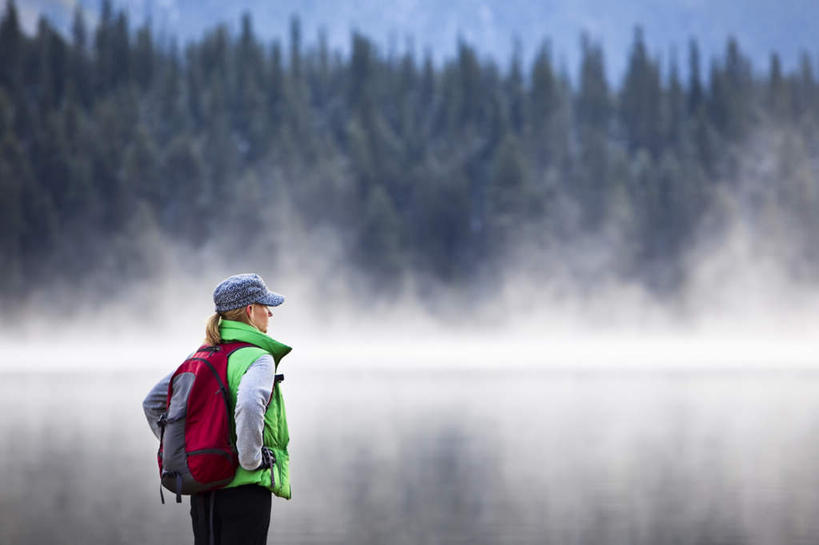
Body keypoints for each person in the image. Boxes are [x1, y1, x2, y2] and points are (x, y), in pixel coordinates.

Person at [143, 273, 293, 545]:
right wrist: (251, 460)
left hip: (203, 488)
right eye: (265, 306)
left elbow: (153, 403)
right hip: (244, 491)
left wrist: (188, 448)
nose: (270, 313)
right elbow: (249, 405)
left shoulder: (200, 355)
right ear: (250, 310)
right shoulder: (258, 358)